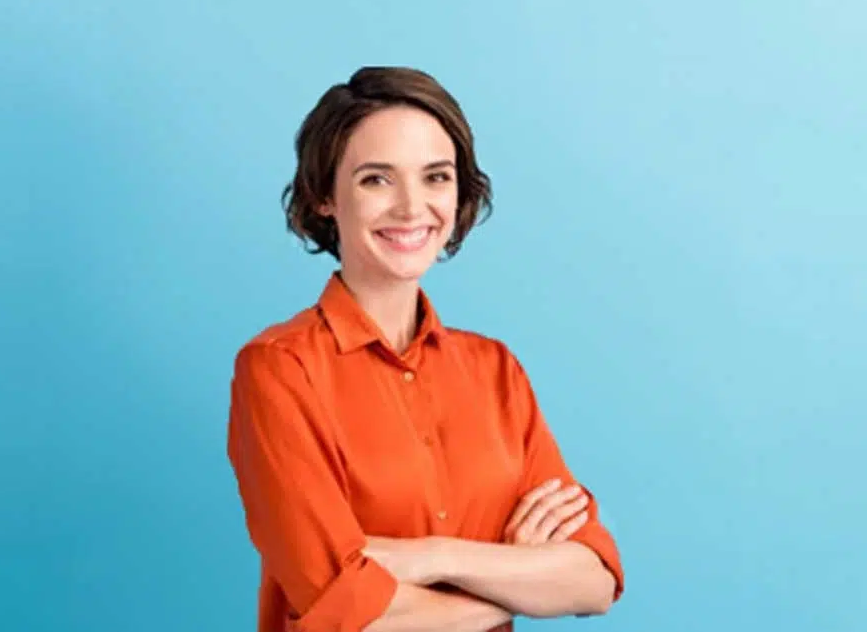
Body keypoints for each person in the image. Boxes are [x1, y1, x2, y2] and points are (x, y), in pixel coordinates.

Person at [226, 67, 623, 631]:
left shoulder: (495, 371)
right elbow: (350, 615)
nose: (413, 208)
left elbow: (595, 578)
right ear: (323, 197)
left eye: (436, 177)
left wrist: (436, 556)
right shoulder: (279, 370)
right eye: (376, 180)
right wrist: (515, 581)